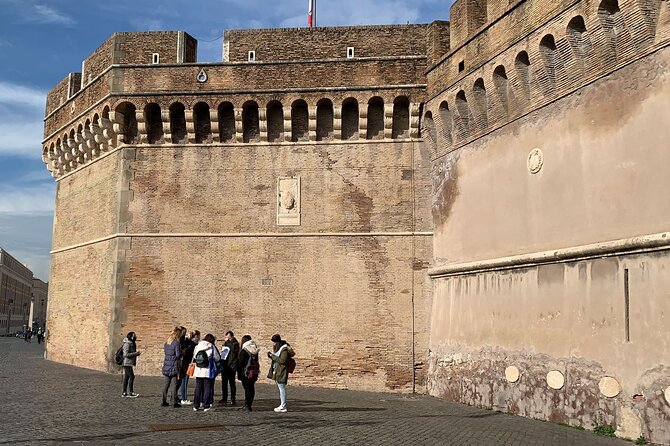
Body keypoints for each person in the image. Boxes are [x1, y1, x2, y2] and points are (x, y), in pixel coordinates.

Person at [192, 333, 221, 412]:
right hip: (208, 370)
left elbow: (195, 356)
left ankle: (196, 405)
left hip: (198, 370)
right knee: (207, 388)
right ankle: (206, 405)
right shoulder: (211, 347)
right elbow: (217, 358)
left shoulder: (198, 346)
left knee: (198, 388)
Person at [267, 334, 295, 413]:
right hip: (278, 370)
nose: (273, 344)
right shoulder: (280, 349)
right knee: (280, 388)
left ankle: (283, 406)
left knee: (281, 388)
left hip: (281, 371)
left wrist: (272, 356)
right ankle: (282, 405)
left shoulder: (284, 350)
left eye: (274, 342)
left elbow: (282, 361)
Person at [236, 334, 259, 412]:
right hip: (253, 372)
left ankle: (247, 405)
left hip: (245, 373)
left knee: (247, 389)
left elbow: (240, 363)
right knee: (251, 388)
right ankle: (249, 404)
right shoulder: (254, 350)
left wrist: (237, 370)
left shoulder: (244, 350)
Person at [161, 327, 182, 408]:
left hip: (166, 366)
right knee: (174, 385)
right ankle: (174, 402)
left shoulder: (166, 343)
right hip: (173, 366)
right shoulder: (176, 343)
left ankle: (163, 401)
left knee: (165, 385)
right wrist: (182, 352)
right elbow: (178, 355)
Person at [219, 331, 240, 406]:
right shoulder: (226, 343)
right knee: (224, 383)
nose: (227, 338)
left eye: (228, 337)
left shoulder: (235, 343)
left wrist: (226, 344)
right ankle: (224, 397)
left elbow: (233, 351)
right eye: (226, 337)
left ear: (232, 336)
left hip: (231, 366)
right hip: (225, 366)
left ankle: (232, 398)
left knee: (232, 383)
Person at [179, 329, 199, 405]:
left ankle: (174, 396)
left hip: (183, 363)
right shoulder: (192, 345)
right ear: (196, 336)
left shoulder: (186, 342)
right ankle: (183, 398)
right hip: (186, 364)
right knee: (184, 381)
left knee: (180, 381)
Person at [122, 332, 141, 398]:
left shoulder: (132, 344)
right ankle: (131, 392)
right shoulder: (127, 344)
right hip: (126, 363)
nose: (136, 336)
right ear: (131, 337)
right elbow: (126, 354)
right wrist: (135, 354)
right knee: (132, 376)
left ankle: (124, 392)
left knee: (127, 378)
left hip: (129, 363)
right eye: (134, 335)